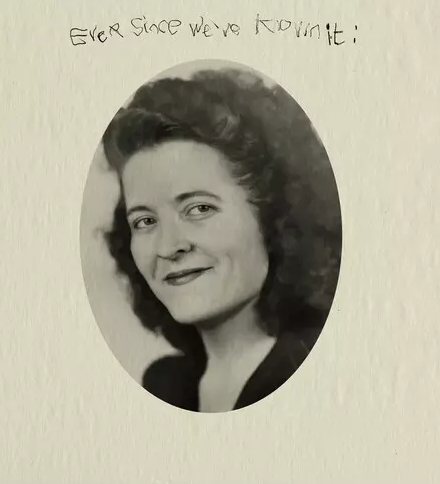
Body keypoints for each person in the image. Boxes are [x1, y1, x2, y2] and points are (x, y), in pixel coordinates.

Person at [101, 67, 341, 412]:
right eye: (145, 221)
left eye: (200, 208)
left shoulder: (314, 373)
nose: (169, 247)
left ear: (273, 217)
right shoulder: (166, 384)